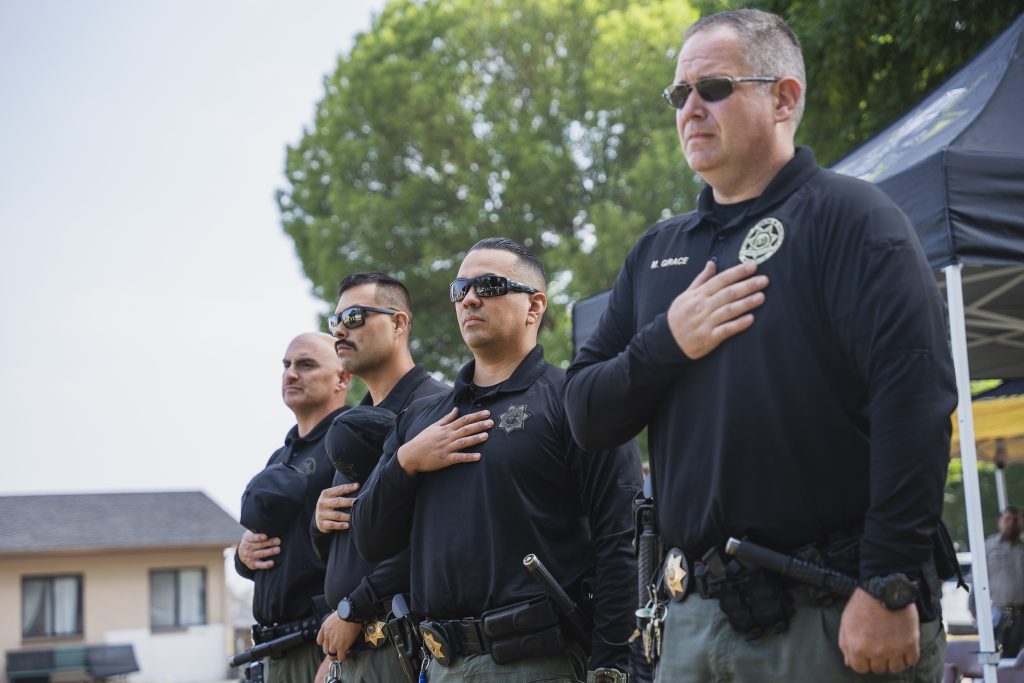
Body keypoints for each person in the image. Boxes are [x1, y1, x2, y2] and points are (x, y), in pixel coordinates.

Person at [562, 9, 958, 682]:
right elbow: (584, 413)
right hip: (692, 624)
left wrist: (889, 583)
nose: (689, 107)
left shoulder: (854, 219)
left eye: (713, 87)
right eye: (678, 93)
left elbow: (915, 404)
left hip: (829, 614)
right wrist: (668, 341)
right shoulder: (658, 252)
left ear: (784, 97)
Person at [351, 238, 641, 683]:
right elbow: (369, 540)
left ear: (534, 306)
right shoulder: (420, 419)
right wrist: (406, 461)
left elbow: (620, 539)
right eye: (460, 288)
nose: (469, 298)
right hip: (441, 666)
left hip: (539, 666)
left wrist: (613, 666)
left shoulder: (574, 402)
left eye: (488, 285)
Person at [311, 272, 447, 682]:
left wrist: (355, 606)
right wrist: (319, 524)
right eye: (334, 321)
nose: (339, 329)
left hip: (406, 650)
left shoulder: (437, 409)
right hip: (350, 652)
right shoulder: (354, 426)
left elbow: (438, 537)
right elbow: (345, 551)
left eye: (354, 317)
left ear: (399, 323)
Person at [235, 332, 351, 683]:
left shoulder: (349, 442)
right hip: (272, 650)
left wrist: (334, 657)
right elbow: (279, 549)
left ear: (342, 379)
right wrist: (243, 555)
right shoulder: (279, 457)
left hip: (321, 646)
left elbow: (368, 550)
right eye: (286, 365)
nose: (291, 374)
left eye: (306, 365)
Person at [986, 506, 1024, 657]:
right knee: (998, 654)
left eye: (1015, 520)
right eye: (1007, 519)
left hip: (1022, 611)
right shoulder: (989, 546)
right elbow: (979, 576)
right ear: (999, 521)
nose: (1011, 523)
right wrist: (973, 603)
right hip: (999, 611)